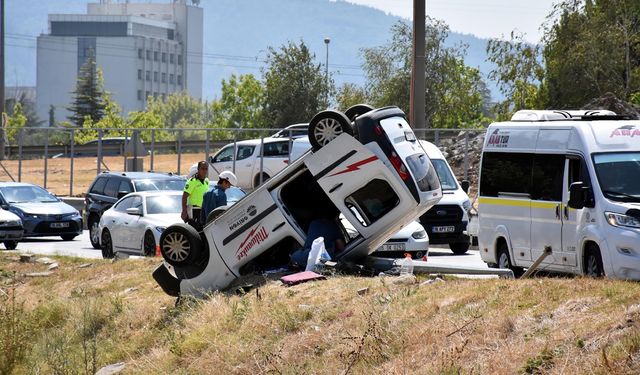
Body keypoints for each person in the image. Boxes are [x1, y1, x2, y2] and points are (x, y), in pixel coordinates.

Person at [181, 161, 209, 227]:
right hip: (194, 210)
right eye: (202, 168)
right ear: (198, 169)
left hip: (203, 210)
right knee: (195, 230)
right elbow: (184, 196)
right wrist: (184, 211)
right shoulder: (192, 181)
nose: (204, 171)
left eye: (206, 169)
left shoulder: (207, 181)